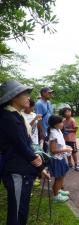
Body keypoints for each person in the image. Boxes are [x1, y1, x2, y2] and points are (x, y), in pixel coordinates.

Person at [0, 80, 48, 225]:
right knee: (17, 213)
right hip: (16, 172)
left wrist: (40, 167)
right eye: (25, 94)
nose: (28, 97)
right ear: (14, 97)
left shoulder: (16, 115)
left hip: (22, 170)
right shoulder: (8, 117)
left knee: (22, 210)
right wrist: (38, 162)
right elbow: (22, 145)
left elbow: (26, 144)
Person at [48, 115, 73, 202]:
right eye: (61, 122)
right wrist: (66, 149)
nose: (63, 124)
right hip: (56, 159)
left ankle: (58, 190)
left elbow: (60, 144)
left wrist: (66, 146)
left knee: (61, 175)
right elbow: (53, 150)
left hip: (61, 157)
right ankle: (56, 196)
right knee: (59, 177)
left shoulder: (58, 130)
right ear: (55, 124)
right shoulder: (53, 133)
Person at [22, 98, 43, 186]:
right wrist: (34, 119)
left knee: (37, 157)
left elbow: (38, 127)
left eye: (32, 108)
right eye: (31, 107)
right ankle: (30, 177)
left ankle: (35, 177)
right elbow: (25, 128)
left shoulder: (34, 114)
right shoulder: (22, 115)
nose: (32, 109)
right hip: (27, 141)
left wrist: (39, 122)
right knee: (30, 159)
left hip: (35, 140)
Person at [35, 87, 54, 151]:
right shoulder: (39, 104)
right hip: (44, 130)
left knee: (51, 148)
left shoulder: (49, 102)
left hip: (50, 128)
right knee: (45, 148)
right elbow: (39, 118)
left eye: (51, 93)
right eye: (49, 93)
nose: (51, 94)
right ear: (43, 93)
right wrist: (42, 131)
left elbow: (51, 114)